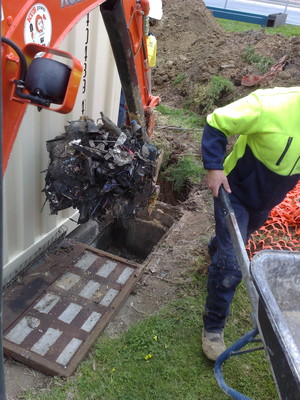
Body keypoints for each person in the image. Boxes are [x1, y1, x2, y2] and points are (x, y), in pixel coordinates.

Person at [201, 86, 300, 361]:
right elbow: (216, 122)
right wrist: (214, 167)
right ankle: (213, 326)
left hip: (267, 201)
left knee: (230, 247)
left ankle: (216, 250)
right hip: (235, 192)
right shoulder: (268, 106)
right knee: (232, 266)